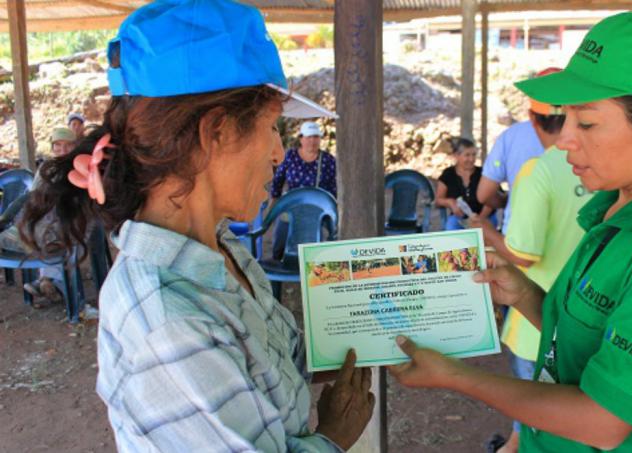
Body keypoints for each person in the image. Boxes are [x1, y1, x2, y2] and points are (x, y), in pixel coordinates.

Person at [20, 1, 373, 451]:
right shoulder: (168, 320)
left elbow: (275, 359)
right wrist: (334, 435)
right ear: (215, 132)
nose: (278, 154)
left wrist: (386, 338)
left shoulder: (218, 247)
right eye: (271, 128)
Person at [389, 11, 632, 452]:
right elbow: (584, 339)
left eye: (587, 123)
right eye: (566, 119)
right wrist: (524, 294)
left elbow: (603, 421)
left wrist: (455, 376)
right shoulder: (615, 209)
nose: (564, 141)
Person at [471, 78, 592, 453]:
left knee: (533, 420)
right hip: (591, 315)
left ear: (533, 118)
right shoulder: (602, 166)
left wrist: (486, 230)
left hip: (537, 319)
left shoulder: (538, 171)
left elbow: (523, 254)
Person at [0, 127, 76, 307]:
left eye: (68, 145)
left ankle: (50, 282)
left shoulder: (80, 168)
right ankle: (48, 282)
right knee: (39, 232)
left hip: (69, 220)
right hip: (42, 220)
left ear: (75, 146)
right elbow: (31, 196)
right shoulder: (46, 168)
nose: (62, 150)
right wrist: (6, 218)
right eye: (58, 145)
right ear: (52, 147)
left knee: (60, 237)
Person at [476, 77, 550, 233]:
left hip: (518, 232)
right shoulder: (585, 140)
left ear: (532, 115)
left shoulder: (510, 136)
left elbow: (484, 194)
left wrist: (507, 201)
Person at [269, 120, 336, 259]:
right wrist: (273, 205)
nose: (312, 141)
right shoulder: (290, 156)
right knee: (280, 245)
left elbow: (333, 190)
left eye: (316, 137)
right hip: (291, 208)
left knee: (313, 250)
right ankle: (278, 262)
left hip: (315, 211)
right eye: (308, 137)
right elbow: (277, 181)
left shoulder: (328, 160)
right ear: (301, 139)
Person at [435, 137, 495, 230]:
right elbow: (438, 200)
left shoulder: (484, 173)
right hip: (459, 218)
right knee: (452, 229)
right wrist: (450, 202)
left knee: (485, 234)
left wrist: (480, 219)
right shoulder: (448, 174)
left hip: (485, 216)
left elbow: (493, 199)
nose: (471, 159)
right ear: (456, 156)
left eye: (474, 155)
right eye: (467, 155)